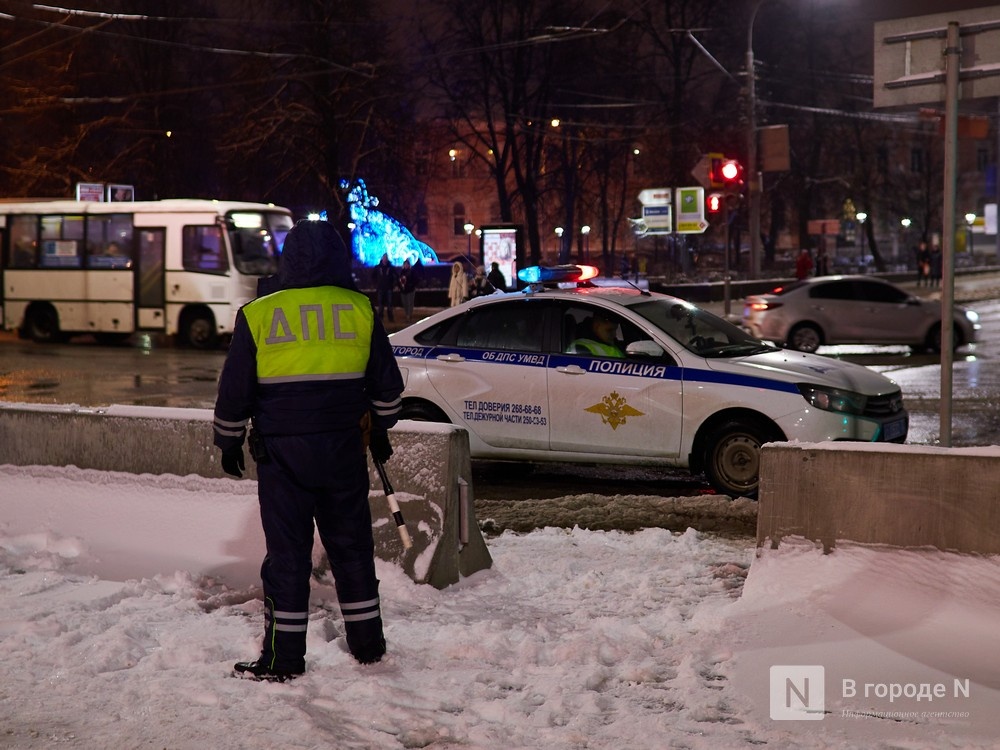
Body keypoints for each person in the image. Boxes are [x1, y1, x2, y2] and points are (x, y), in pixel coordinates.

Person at [213, 219, 404, 682]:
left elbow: (235, 390)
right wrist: (379, 429)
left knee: (288, 557)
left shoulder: (259, 313)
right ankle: (369, 648)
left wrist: (229, 439)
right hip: (342, 452)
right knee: (353, 550)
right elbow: (388, 390)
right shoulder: (360, 309)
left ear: (289, 258)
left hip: (282, 457)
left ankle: (282, 660)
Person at [372, 254, 397, 323]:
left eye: (386, 258)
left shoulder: (391, 267)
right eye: (384, 258)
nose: (385, 259)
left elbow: (395, 277)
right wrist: (376, 284)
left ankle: (390, 318)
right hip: (380, 288)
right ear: (382, 258)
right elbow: (373, 276)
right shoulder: (377, 267)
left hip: (389, 288)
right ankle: (380, 317)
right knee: (380, 304)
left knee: (390, 304)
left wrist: (393, 285)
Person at [397, 258, 418, 323]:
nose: (406, 265)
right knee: (405, 303)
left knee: (409, 303)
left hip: (410, 290)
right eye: (405, 264)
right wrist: (399, 287)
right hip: (403, 290)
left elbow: (416, 280)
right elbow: (399, 280)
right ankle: (407, 314)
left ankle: (408, 316)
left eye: (407, 264)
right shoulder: (401, 272)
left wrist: (411, 285)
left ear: (409, 265)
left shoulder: (412, 271)